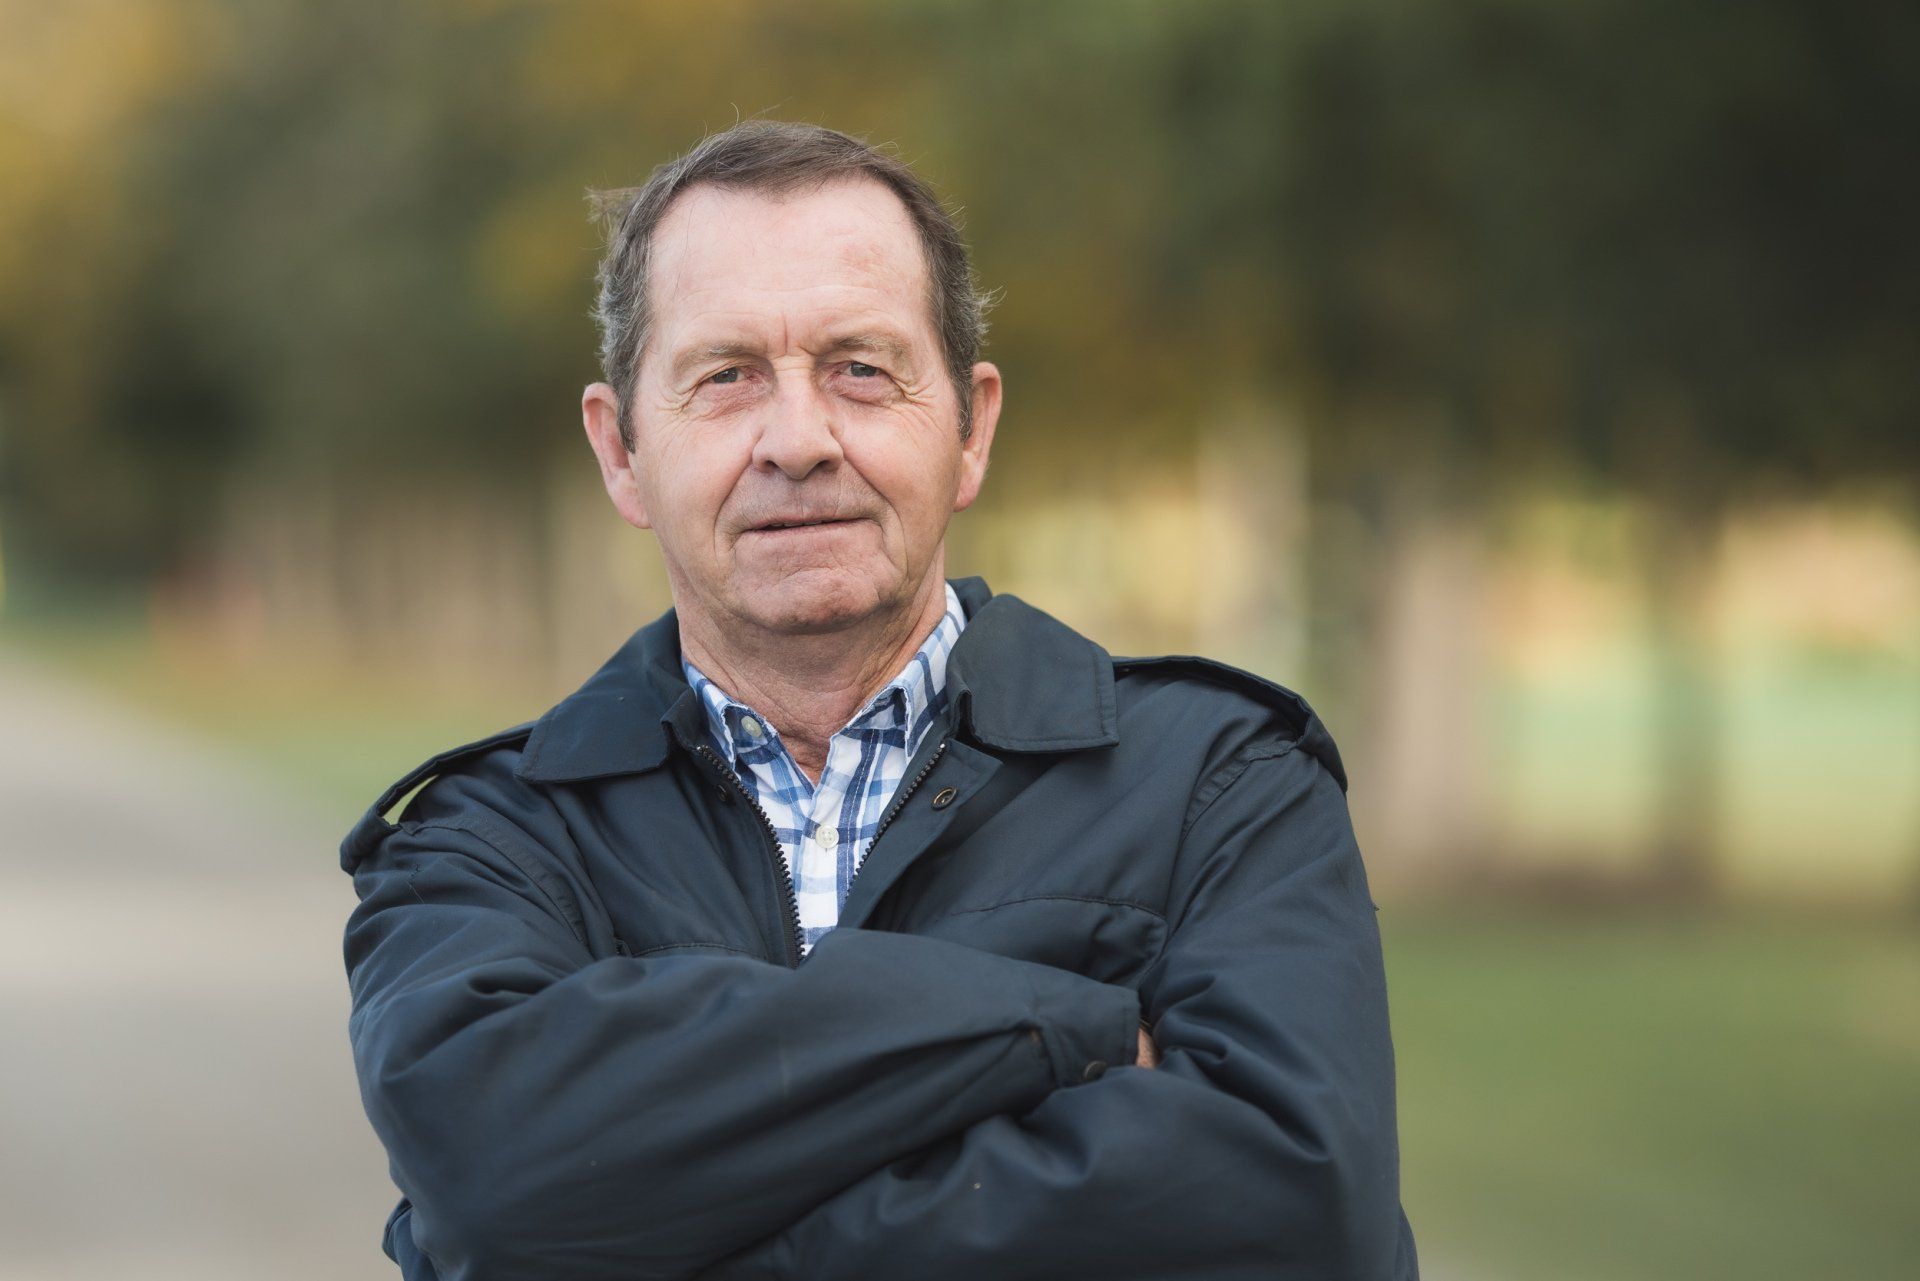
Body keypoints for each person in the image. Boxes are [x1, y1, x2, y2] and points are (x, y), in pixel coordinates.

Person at [340, 119, 1419, 1281]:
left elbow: (1301, 1218)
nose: (798, 442)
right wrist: (1064, 1025)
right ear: (620, 450)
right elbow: (500, 1175)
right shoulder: (486, 841)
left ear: (970, 426)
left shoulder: (1222, 783)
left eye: (860, 368)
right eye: (726, 376)